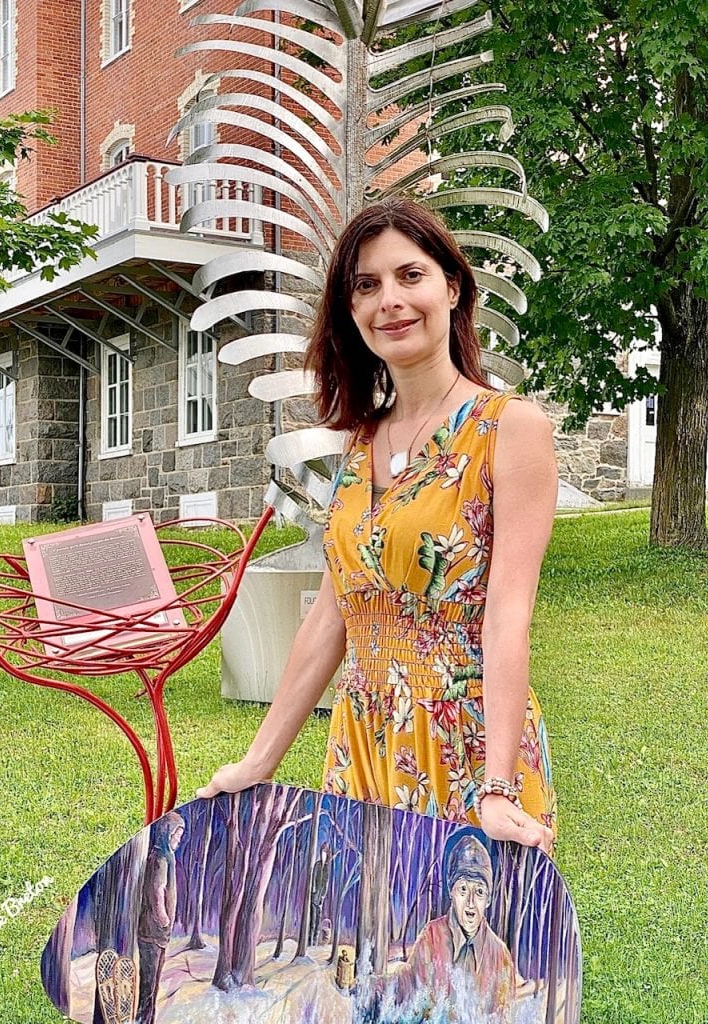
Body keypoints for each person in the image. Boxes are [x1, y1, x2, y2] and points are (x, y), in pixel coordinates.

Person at [198, 198, 557, 854]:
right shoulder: (360, 444)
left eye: (408, 275)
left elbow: (507, 615)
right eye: (366, 285)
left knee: (462, 950)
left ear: (451, 287)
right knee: (358, 951)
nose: (388, 299)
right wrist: (259, 762)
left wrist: (498, 789)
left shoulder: (508, 428)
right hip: (361, 742)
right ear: (351, 311)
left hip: (465, 743)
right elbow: (334, 616)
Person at [387, 836, 516, 1021]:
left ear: (488, 899)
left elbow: (504, 1017)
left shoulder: (500, 957)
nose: (471, 903)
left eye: (479, 891)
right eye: (463, 889)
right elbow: (407, 991)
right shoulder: (431, 938)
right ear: (451, 892)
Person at [136, 811, 185, 1024]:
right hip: (151, 932)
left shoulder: (167, 857)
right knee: (148, 981)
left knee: (154, 981)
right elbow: (157, 891)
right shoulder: (159, 858)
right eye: (176, 835)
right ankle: (143, 1019)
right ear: (166, 833)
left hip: (158, 934)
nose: (178, 840)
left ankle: (148, 1018)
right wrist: (164, 919)